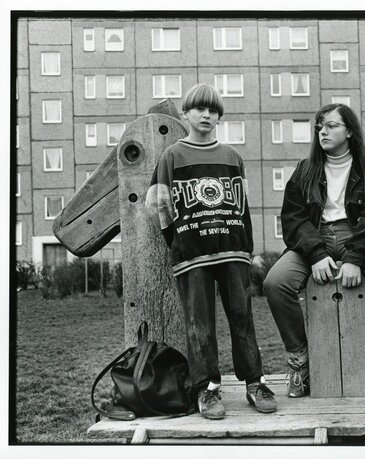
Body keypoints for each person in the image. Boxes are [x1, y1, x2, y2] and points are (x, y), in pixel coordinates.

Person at [145, 83, 276, 419]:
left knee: (243, 318)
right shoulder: (172, 156)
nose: (206, 115)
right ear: (185, 114)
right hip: (192, 255)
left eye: (213, 110)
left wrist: (245, 247)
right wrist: (177, 240)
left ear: (219, 116)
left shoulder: (232, 156)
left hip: (232, 251)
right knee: (199, 323)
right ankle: (208, 389)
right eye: (199, 109)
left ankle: (255, 382)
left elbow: (242, 204)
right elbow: (158, 203)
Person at [264, 103, 365, 396]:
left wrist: (354, 257)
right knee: (275, 283)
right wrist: (315, 254)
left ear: (349, 131)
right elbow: (293, 218)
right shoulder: (306, 169)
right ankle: (300, 362)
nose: (322, 131)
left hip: (359, 236)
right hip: (315, 238)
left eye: (331, 125)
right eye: (319, 126)